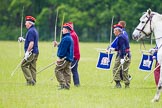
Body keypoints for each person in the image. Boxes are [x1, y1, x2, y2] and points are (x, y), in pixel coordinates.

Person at [18, 16, 39, 86]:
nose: (25, 24)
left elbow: (31, 43)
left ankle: (30, 81)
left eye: (26, 23)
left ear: (29, 23)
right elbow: (31, 41)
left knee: (23, 65)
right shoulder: (34, 30)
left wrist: (27, 52)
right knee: (32, 67)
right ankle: (33, 81)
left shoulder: (30, 31)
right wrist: (23, 40)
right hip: (35, 51)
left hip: (31, 52)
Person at [54, 24, 74, 90]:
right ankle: (67, 85)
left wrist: (60, 58)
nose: (62, 30)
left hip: (64, 58)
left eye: (63, 29)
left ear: (66, 30)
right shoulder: (69, 38)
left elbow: (63, 50)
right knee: (66, 72)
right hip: (69, 58)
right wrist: (57, 44)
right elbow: (63, 47)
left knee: (57, 70)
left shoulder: (66, 38)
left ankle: (63, 84)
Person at [63, 22, 81, 87]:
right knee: (73, 70)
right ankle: (76, 84)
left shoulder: (72, 35)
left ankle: (67, 84)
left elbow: (69, 46)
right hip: (74, 55)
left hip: (74, 56)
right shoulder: (71, 34)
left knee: (70, 70)